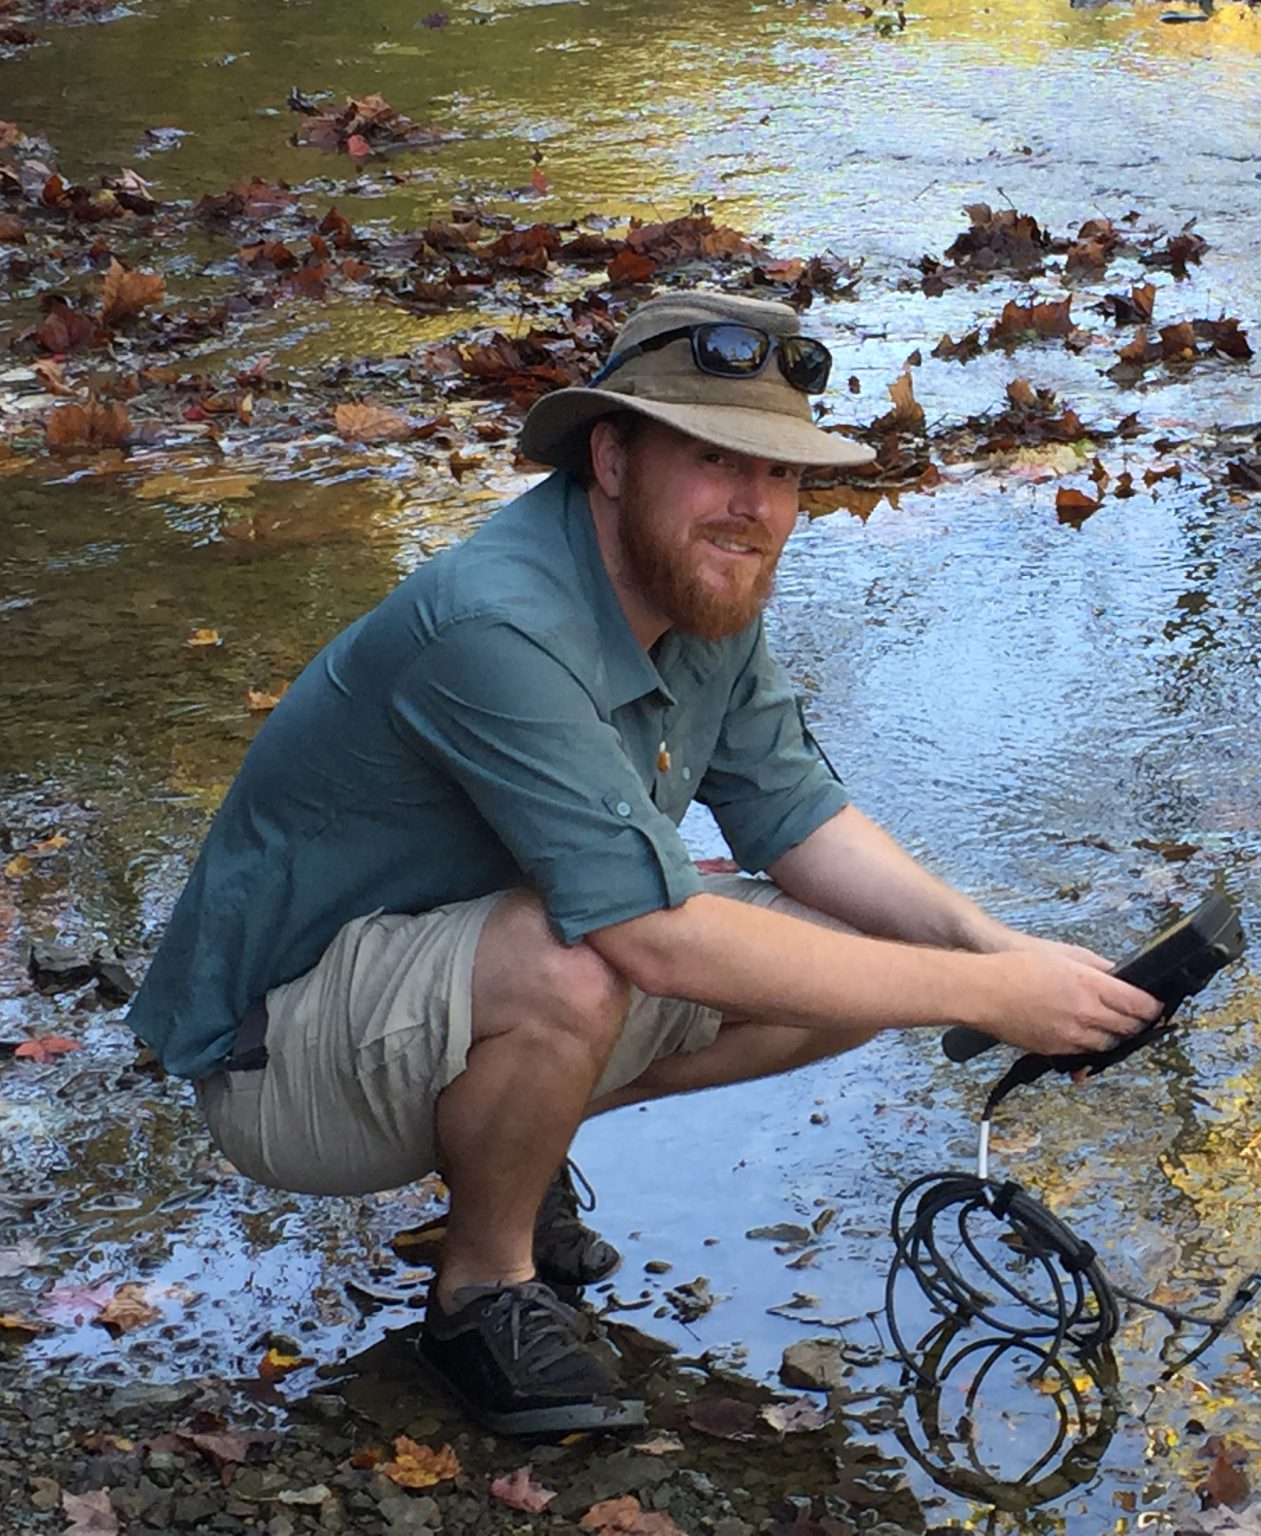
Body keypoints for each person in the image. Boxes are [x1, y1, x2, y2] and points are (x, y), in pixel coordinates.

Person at [126, 289, 1162, 1435]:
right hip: (282, 1059)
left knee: (866, 958)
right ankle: (481, 1292)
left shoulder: (699, 592)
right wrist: (987, 1000)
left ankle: (514, 1140)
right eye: (716, 460)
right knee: (584, 962)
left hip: (433, 990)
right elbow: (650, 937)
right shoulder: (495, 622)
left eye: (778, 474)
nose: (753, 506)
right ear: (612, 457)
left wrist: (992, 949)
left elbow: (795, 815)